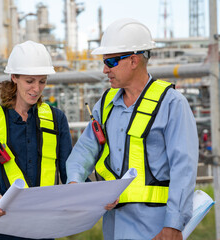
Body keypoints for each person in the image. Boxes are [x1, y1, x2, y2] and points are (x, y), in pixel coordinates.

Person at [66, 18, 198, 240]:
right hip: (114, 226)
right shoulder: (106, 104)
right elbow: (85, 150)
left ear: (134, 60)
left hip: (156, 228)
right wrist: (75, 182)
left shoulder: (171, 103)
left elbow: (183, 168)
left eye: (111, 62)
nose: (105, 69)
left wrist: (173, 225)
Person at [0, 40, 73, 240]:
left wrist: (91, 196)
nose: (36, 88)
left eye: (42, 81)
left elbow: (69, 171)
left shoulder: (56, 119)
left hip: (40, 229)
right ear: (14, 77)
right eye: (30, 81)